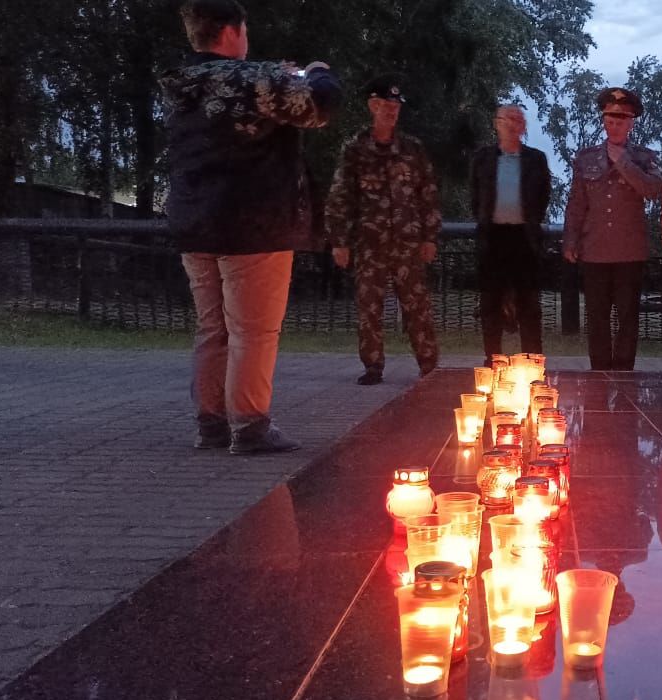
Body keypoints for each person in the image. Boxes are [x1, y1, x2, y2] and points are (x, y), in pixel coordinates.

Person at [161, 0, 341, 454]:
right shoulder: (250, 79)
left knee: (212, 327)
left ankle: (211, 423)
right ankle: (250, 425)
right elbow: (321, 104)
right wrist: (316, 70)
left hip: (194, 222)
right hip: (252, 223)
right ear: (229, 31)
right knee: (253, 330)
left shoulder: (182, 83)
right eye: (244, 29)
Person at [326, 75, 443, 385]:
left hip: (408, 241)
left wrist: (430, 237)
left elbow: (428, 194)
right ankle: (373, 366)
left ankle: (429, 366)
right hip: (369, 242)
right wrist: (339, 241)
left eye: (395, 107)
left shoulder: (412, 149)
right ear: (372, 106)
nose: (392, 111)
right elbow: (340, 196)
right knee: (369, 307)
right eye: (386, 106)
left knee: (417, 306)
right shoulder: (355, 149)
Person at [562, 87, 662, 371]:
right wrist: (570, 240)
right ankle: (599, 372)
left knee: (628, 316)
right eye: (610, 121)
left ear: (631, 123)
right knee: (597, 316)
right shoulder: (586, 157)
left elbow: (653, 189)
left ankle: (623, 373)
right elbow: (576, 202)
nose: (615, 126)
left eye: (621, 121)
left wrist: (623, 162)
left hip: (629, 251)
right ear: (604, 122)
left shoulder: (644, 156)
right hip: (594, 249)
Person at [469, 104, 552, 365]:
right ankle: (493, 360)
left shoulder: (536, 159)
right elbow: (475, 197)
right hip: (493, 239)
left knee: (528, 304)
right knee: (490, 303)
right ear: (496, 123)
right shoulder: (482, 158)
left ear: (524, 126)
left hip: (524, 240)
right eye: (506, 119)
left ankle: (532, 361)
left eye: (518, 119)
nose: (512, 124)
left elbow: (542, 198)